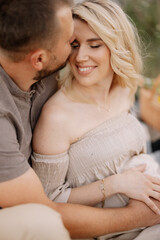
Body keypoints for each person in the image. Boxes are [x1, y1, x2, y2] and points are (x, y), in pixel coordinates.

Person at [0, 0, 160, 239]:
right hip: (113, 226)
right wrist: (131, 204)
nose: (77, 56)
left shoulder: (121, 89)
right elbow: (47, 206)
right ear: (39, 59)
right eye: (71, 43)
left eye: (94, 45)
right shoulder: (52, 115)